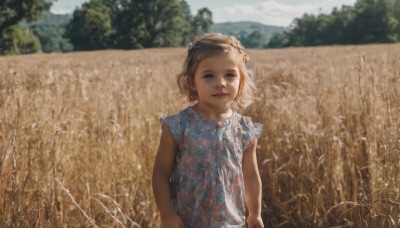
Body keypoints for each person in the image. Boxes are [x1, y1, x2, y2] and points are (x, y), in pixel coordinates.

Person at [152, 33, 264, 228]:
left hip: (231, 222)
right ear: (192, 82)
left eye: (229, 75)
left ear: (241, 80)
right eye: (208, 75)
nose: (221, 82)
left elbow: (251, 176)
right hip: (186, 221)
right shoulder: (178, 126)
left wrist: (255, 213)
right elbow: (160, 174)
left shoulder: (244, 129)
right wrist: (168, 215)